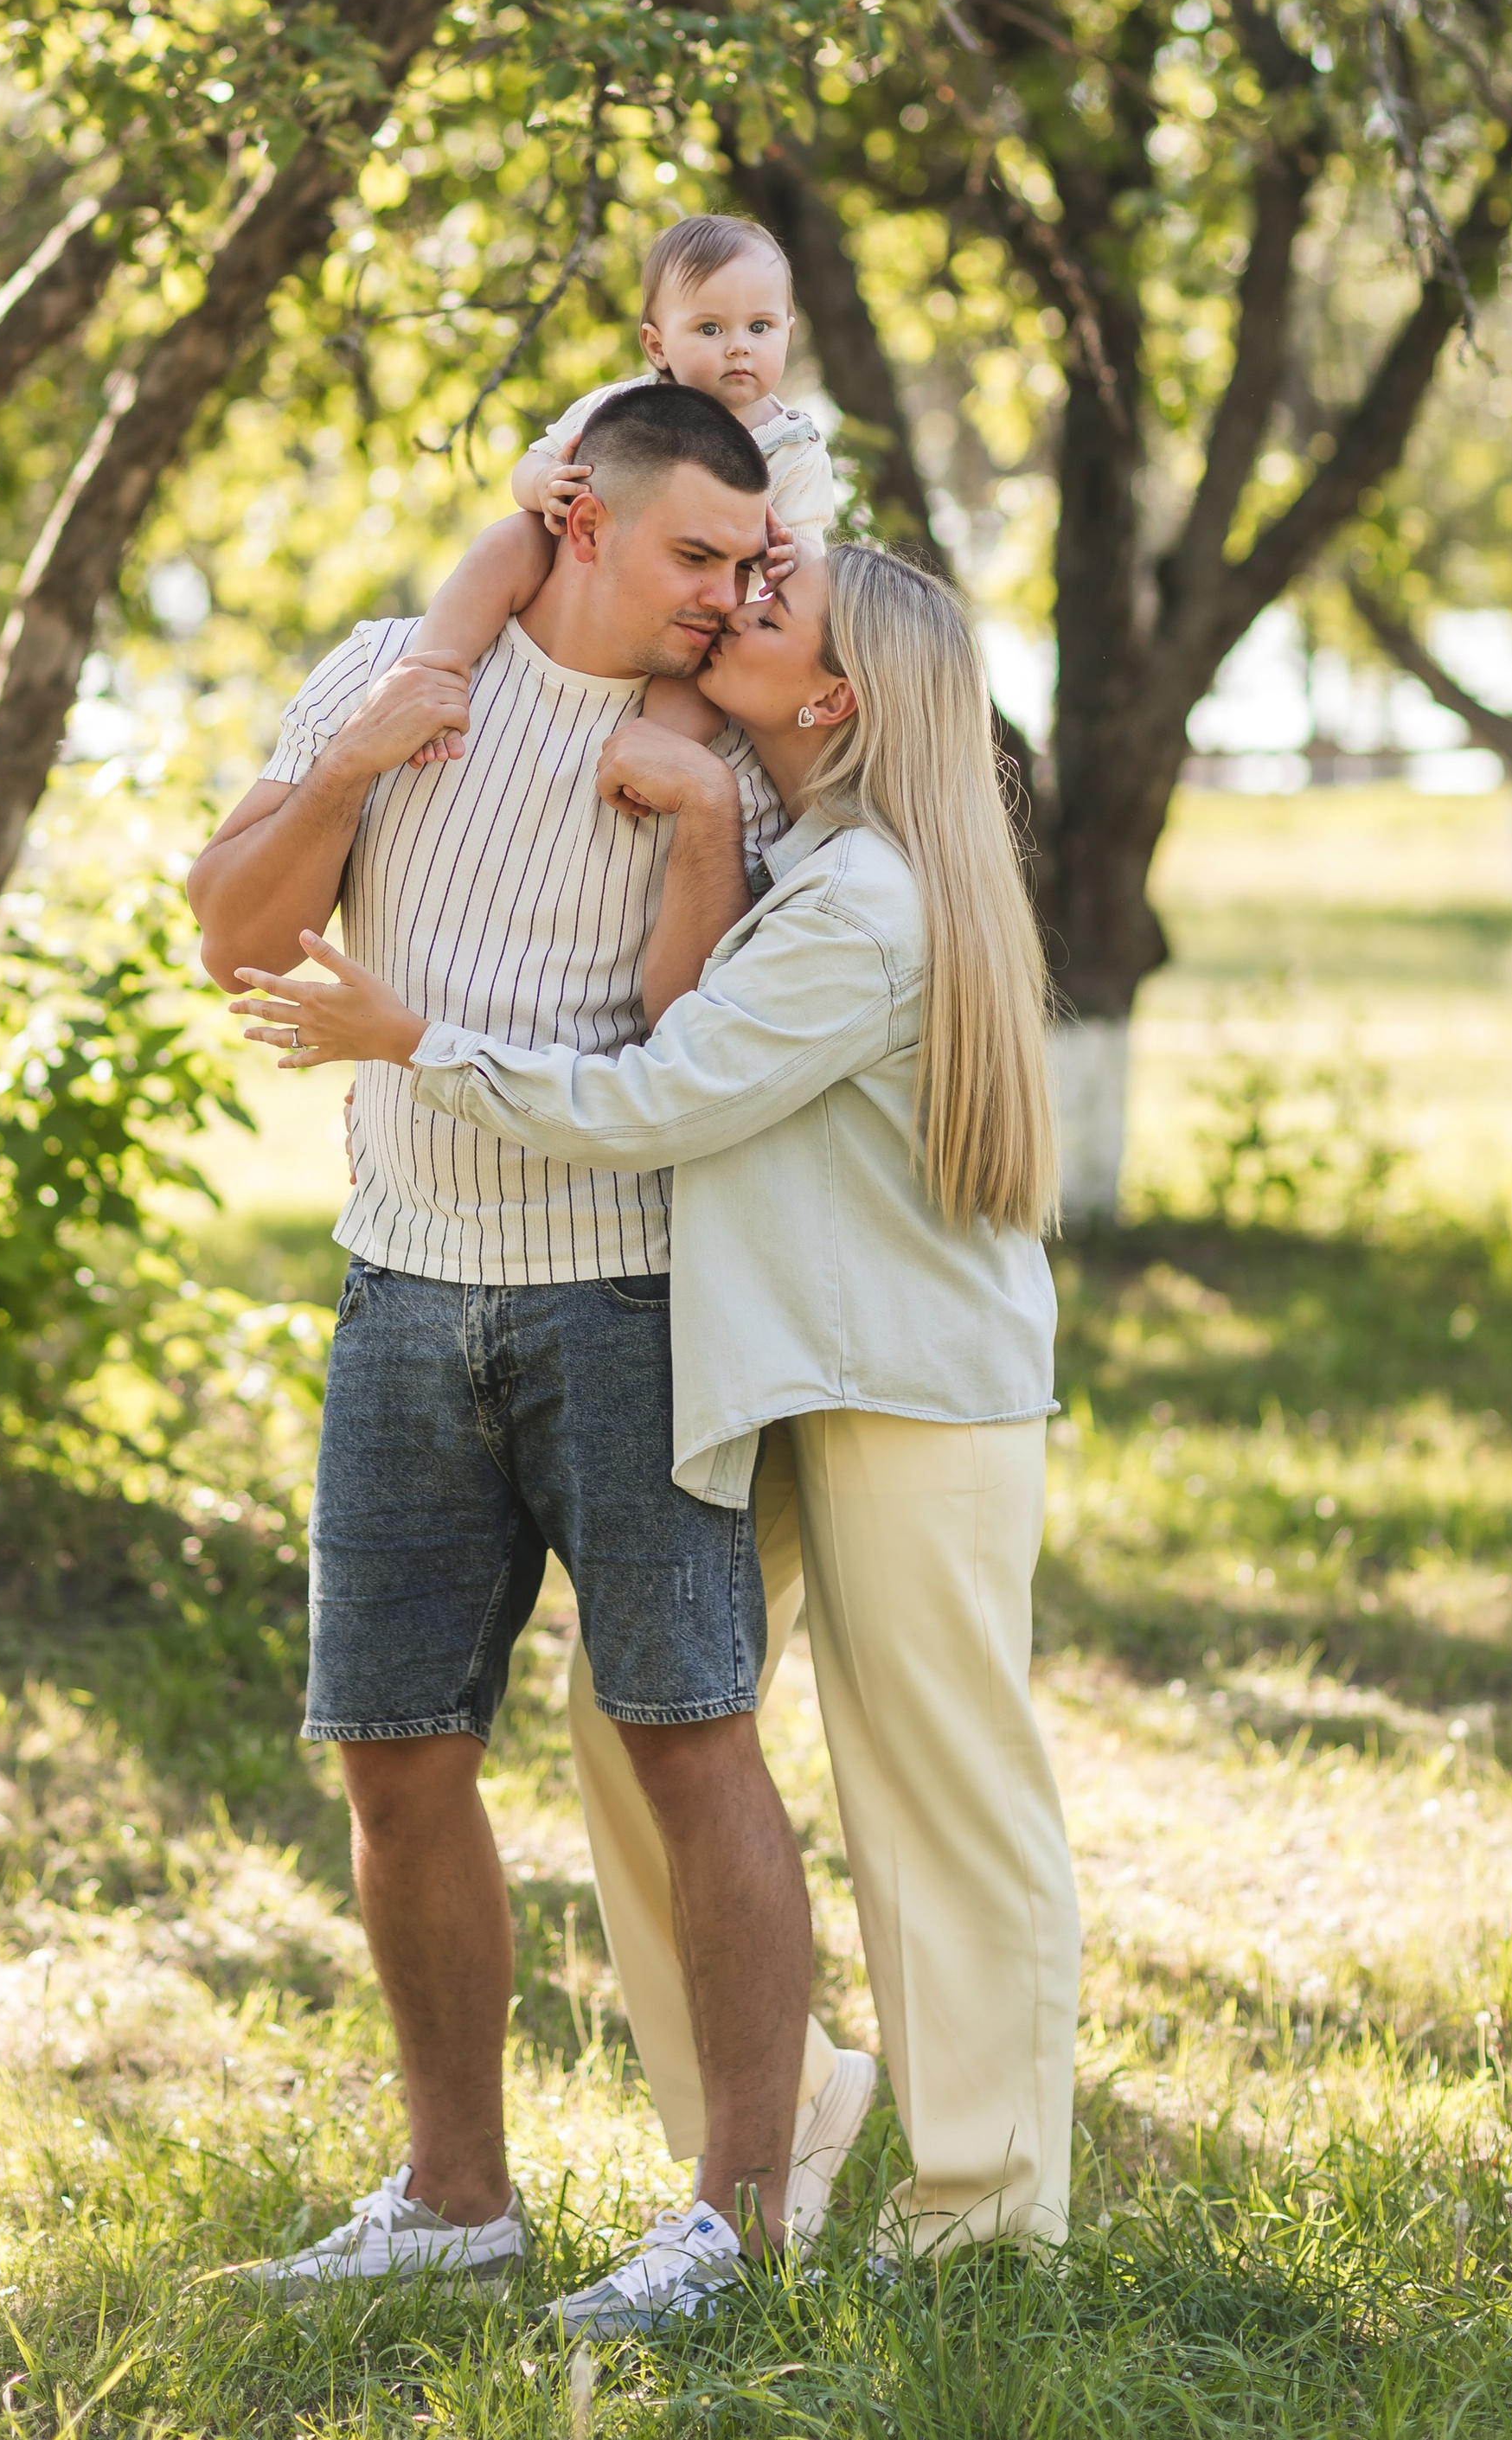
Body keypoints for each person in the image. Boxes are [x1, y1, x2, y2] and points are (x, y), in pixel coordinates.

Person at [237, 543, 1083, 2299]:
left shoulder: (857, 904)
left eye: (767, 614)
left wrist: (412, 1039)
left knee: (937, 1788)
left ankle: (987, 2211)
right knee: (639, 1716)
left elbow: (655, 1095)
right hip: (776, 1367)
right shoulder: (805, 853)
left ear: (833, 697)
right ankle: (778, 2128)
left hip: (906, 1387)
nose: (724, 614)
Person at [187, 382, 877, 2317]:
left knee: (689, 1737)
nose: (723, 599)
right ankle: (454, 2199)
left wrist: (683, 841)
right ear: (580, 522)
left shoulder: (724, 761)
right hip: (399, 1288)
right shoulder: (394, 673)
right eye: (691, 558)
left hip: (628, 1303)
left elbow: (676, 1051)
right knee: (392, 1757)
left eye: (749, 570)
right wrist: (351, 769)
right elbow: (231, 934)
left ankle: (731, 2227)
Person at [404, 214, 836, 762]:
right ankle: (431, 677)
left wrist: (787, 554)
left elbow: (810, 564)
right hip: (589, 562)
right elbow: (530, 466)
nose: (738, 348)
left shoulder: (794, 446)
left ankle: (648, 756)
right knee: (509, 540)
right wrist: (546, 485)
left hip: (711, 604)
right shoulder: (622, 406)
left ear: (788, 333)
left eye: (760, 327)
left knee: (704, 670)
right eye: (709, 329)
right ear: (657, 345)